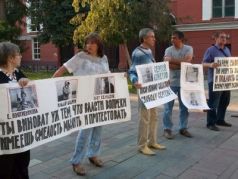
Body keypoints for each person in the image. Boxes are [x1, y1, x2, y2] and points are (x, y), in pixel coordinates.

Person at [53, 33, 109, 176]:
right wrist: (49, 83)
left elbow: (108, 75)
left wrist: (121, 78)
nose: (89, 45)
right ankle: (76, 161)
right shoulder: (80, 57)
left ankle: (93, 154)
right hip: (84, 98)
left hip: (100, 98)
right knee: (85, 130)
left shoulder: (104, 58)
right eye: (87, 42)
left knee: (98, 128)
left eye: (92, 43)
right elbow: (62, 69)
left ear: (98, 45)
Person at [128, 28, 166, 156]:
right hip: (144, 90)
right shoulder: (137, 53)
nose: (154, 39)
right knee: (144, 118)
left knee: (154, 116)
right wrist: (134, 81)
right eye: (152, 37)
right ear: (144, 38)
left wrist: (163, 80)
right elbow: (132, 71)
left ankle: (152, 141)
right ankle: (142, 145)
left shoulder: (149, 51)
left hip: (153, 89)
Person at [0, 42, 31, 179]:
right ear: (10, 58)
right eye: (18, 54)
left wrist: (26, 81)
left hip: (21, 132)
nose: (21, 56)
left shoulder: (18, 73)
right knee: (6, 168)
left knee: (23, 163)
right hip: (5, 135)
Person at [163, 30, 193, 139]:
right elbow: (167, 64)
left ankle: (183, 128)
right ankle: (167, 129)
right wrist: (181, 63)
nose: (172, 40)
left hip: (184, 82)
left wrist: (172, 60)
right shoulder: (168, 50)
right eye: (171, 38)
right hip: (171, 82)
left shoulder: (188, 48)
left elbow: (188, 62)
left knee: (184, 107)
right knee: (167, 107)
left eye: (174, 38)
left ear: (181, 39)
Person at [202, 31, 232, 131]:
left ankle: (220, 119)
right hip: (214, 81)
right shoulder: (210, 50)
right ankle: (210, 123)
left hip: (226, 81)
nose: (224, 39)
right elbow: (203, 63)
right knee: (213, 102)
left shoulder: (227, 50)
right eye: (222, 37)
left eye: (225, 37)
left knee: (225, 101)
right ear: (216, 38)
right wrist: (210, 65)